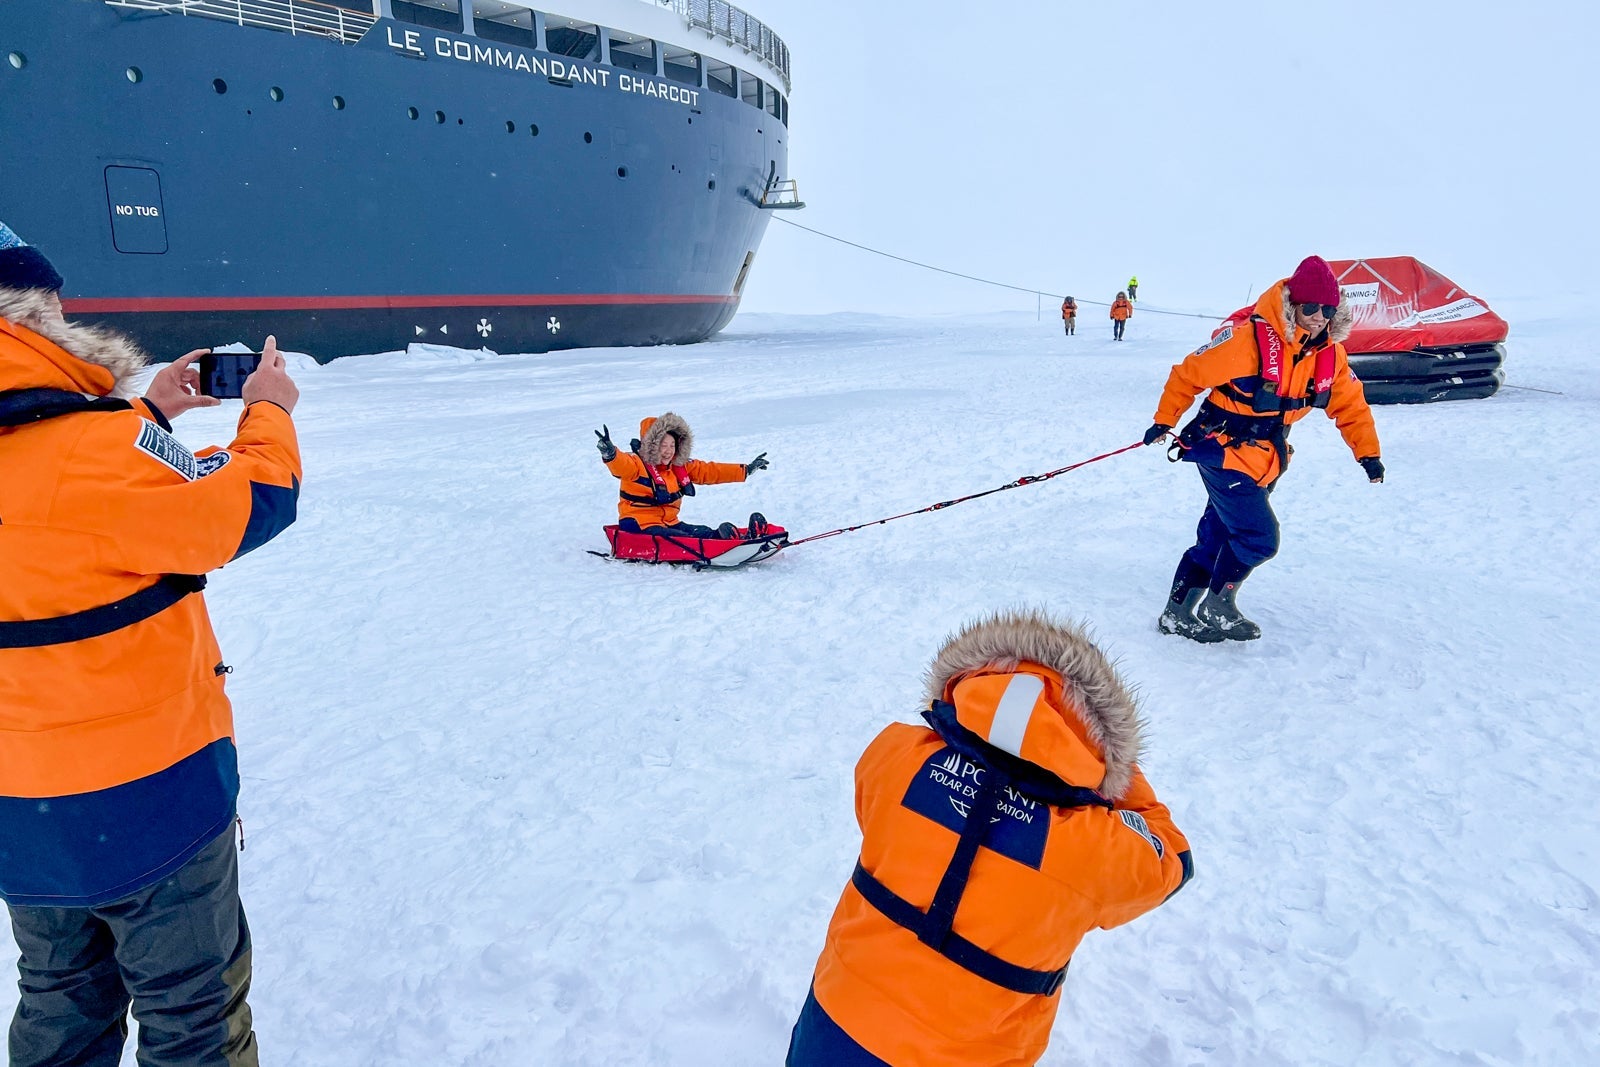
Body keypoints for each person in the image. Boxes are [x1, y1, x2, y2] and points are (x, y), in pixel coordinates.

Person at [0, 220, 302, 1066]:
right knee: (192, 1018)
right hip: (151, 801)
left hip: (21, 815)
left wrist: (151, 411)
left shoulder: (99, 444)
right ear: (31, 316)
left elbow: (40, 500)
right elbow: (251, 502)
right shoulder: (101, 452)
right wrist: (268, 411)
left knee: (59, 1006)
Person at [787, 608, 1192, 1067]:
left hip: (836, 1018)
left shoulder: (895, 755)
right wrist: (1114, 772)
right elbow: (1173, 859)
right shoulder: (1094, 850)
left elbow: (875, 810)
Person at [1142, 255, 1382, 643]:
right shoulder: (1246, 343)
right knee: (1259, 538)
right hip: (1221, 451)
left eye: (1328, 309)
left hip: (1267, 458)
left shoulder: (1330, 356)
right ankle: (1217, 606)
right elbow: (1186, 375)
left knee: (1220, 536)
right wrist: (1163, 420)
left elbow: (1351, 404)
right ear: (1293, 305)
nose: (1320, 317)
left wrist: (1367, 453)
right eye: (1311, 308)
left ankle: (1178, 612)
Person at [596, 412, 769, 539]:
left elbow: (709, 471)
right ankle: (723, 546)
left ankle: (734, 538)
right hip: (639, 524)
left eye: (672, 446)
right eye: (663, 445)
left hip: (669, 522)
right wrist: (610, 454)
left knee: (699, 531)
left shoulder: (678, 467)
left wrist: (746, 470)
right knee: (679, 538)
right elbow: (621, 465)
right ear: (651, 446)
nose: (668, 451)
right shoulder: (636, 464)